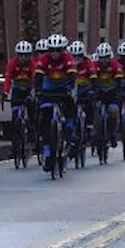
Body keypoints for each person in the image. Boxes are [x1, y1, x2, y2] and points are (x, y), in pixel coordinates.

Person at [34, 34, 78, 171]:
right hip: (48, 91)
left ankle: (70, 134)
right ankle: (47, 153)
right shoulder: (44, 59)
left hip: (64, 90)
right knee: (44, 120)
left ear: (63, 50)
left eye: (58, 50)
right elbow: (38, 76)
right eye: (52, 50)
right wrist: (37, 90)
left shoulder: (68, 59)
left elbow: (72, 76)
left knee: (71, 107)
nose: (55, 53)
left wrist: (71, 89)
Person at [3, 40, 37, 148]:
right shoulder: (12, 63)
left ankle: (32, 130)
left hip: (28, 90)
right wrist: (5, 92)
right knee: (15, 114)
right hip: (17, 90)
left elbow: (34, 78)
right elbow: (8, 78)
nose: (23, 58)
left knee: (31, 108)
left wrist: (33, 92)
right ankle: (15, 140)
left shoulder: (32, 64)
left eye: (26, 55)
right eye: (21, 55)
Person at [92, 42, 124, 148]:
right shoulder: (94, 66)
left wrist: (119, 93)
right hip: (100, 92)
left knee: (113, 112)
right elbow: (92, 80)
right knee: (96, 111)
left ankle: (113, 133)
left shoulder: (116, 65)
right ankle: (96, 134)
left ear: (109, 57)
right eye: (101, 58)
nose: (103, 60)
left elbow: (119, 82)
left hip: (112, 93)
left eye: (106, 58)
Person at [68, 40, 95, 149]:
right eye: (74, 56)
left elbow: (93, 77)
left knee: (89, 103)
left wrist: (94, 90)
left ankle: (89, 125)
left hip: (86, 90)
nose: (76, 59)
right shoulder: (69, 64)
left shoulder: (88, 63)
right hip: (74, 91)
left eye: (79, 56)